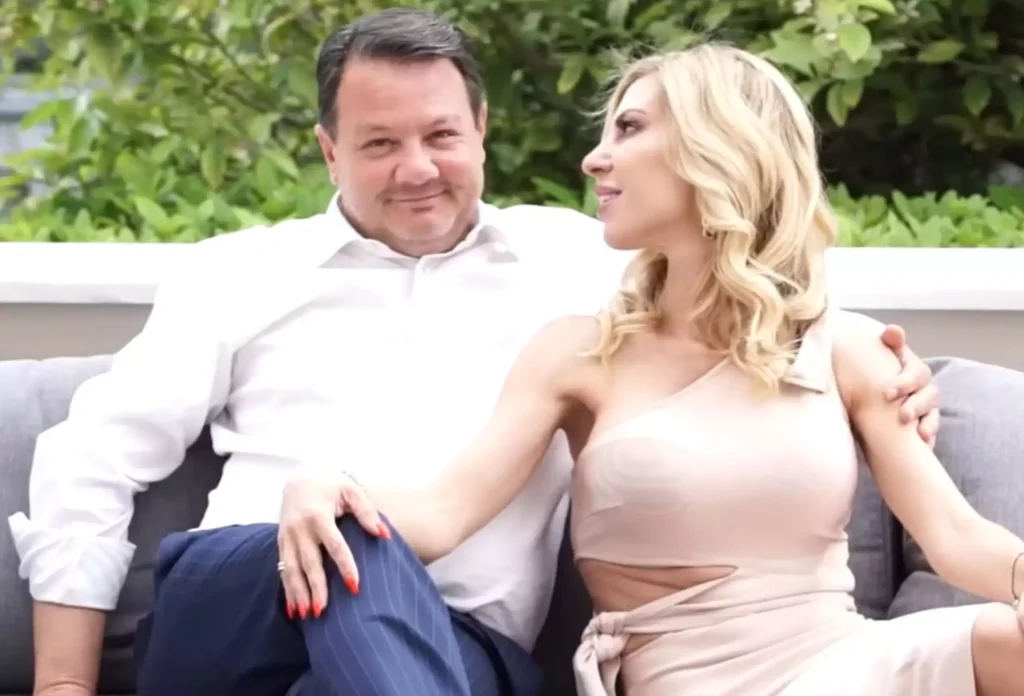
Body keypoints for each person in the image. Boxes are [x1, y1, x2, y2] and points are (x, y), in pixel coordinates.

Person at [8, 9, 940, 696]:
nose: (417, 168)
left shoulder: (582, 266)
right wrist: (63, 686)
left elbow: (745, 292)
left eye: (442, 135)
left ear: (482, 131)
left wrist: (887, 370)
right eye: (380, 143)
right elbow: (91, 462)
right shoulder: (239, 273)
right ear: (329, 151)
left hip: (460, 651)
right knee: (355, 528)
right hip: (237, 610)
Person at [279, 43, 1024, 696]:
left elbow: (956, 535)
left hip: (848, 662)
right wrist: (327, 484)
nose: (594, 159)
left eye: (629, 129)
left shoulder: (846, 347)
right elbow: (444, 515)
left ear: (717, 145)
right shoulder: (579, 355)